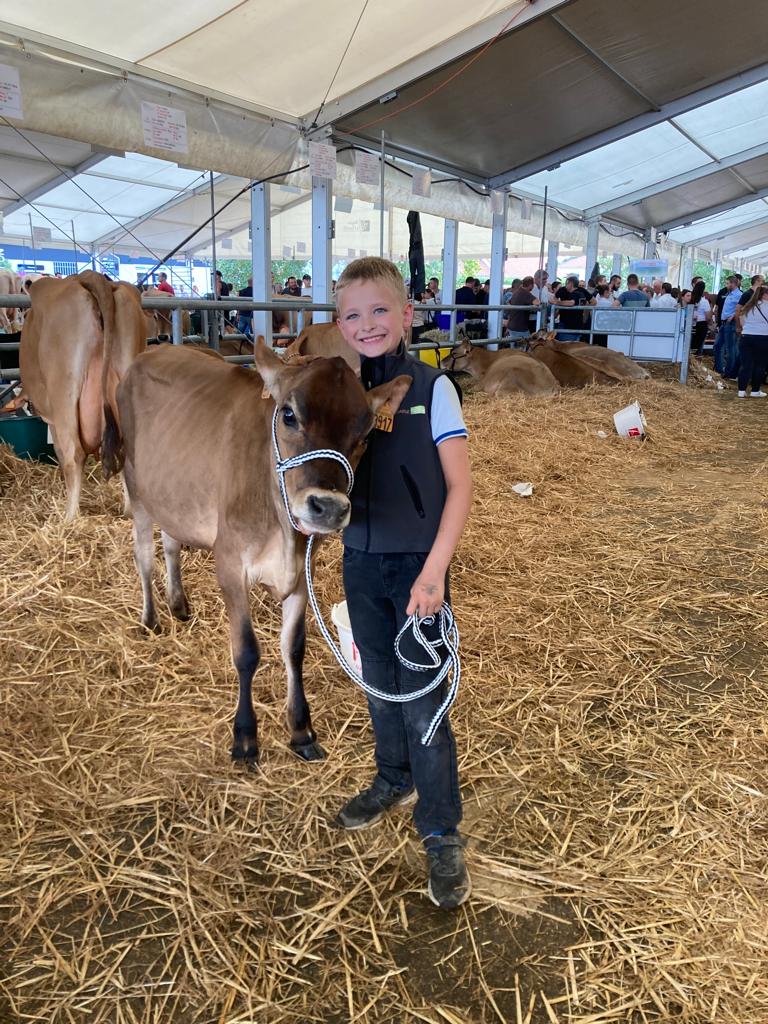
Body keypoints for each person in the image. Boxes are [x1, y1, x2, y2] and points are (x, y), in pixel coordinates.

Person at [333, 256, 472, 910]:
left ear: (407, 315)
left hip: (417, 567)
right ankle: (392, 779)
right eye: (353, 314)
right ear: (339, 324)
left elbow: (461, 486)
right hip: (358, 563)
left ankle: (441, 833)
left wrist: (436, 571)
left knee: (425, 702)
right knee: (379, 687)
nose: (368, 324)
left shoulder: (433, 388)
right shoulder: (337, 393)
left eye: (380, 310)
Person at [736, 284, 768, 398]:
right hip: (763, 338)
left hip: (746, 337)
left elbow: (742, 321)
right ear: (764, 295)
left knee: (745, 365)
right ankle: (755, 390)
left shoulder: (748, 306)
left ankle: (741, 390)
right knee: (760, 365)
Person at [713, 276, 742, 378]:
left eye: (727, 283)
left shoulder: (739, 295)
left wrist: (734, 315)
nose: (726, 285)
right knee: (718, 346)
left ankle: (730, 372)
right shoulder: (728, 294)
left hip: (731, 323)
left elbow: (743, 307)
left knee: (730, 348)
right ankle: (719, 369)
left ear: (733, 284)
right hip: (724, 323)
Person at [554, 274, 592, 341]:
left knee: (565, 346)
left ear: (571, 284)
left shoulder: (575, 293)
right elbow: (587, 304)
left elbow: (571, 303)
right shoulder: (581, 293)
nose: (566, 286)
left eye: (567, 283)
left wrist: (558, 302)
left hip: (568, 326)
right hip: (578, 325)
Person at [504, 275, 539, 345]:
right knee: (529, 346)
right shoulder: (525, 293)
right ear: (531, 285)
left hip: (512, 325)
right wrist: (532, 306)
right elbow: (537, 302)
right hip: (520, 327)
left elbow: (509, 303)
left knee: (514, 348)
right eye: (533, 285)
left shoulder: (516, 292)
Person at [689, 280, 712, 357]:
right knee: (699, 345)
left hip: (691, 323)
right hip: (701, 324)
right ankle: (697, 360)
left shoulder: (691, 299)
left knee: (690, 344)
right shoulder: (704, 301)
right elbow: (708, 317)